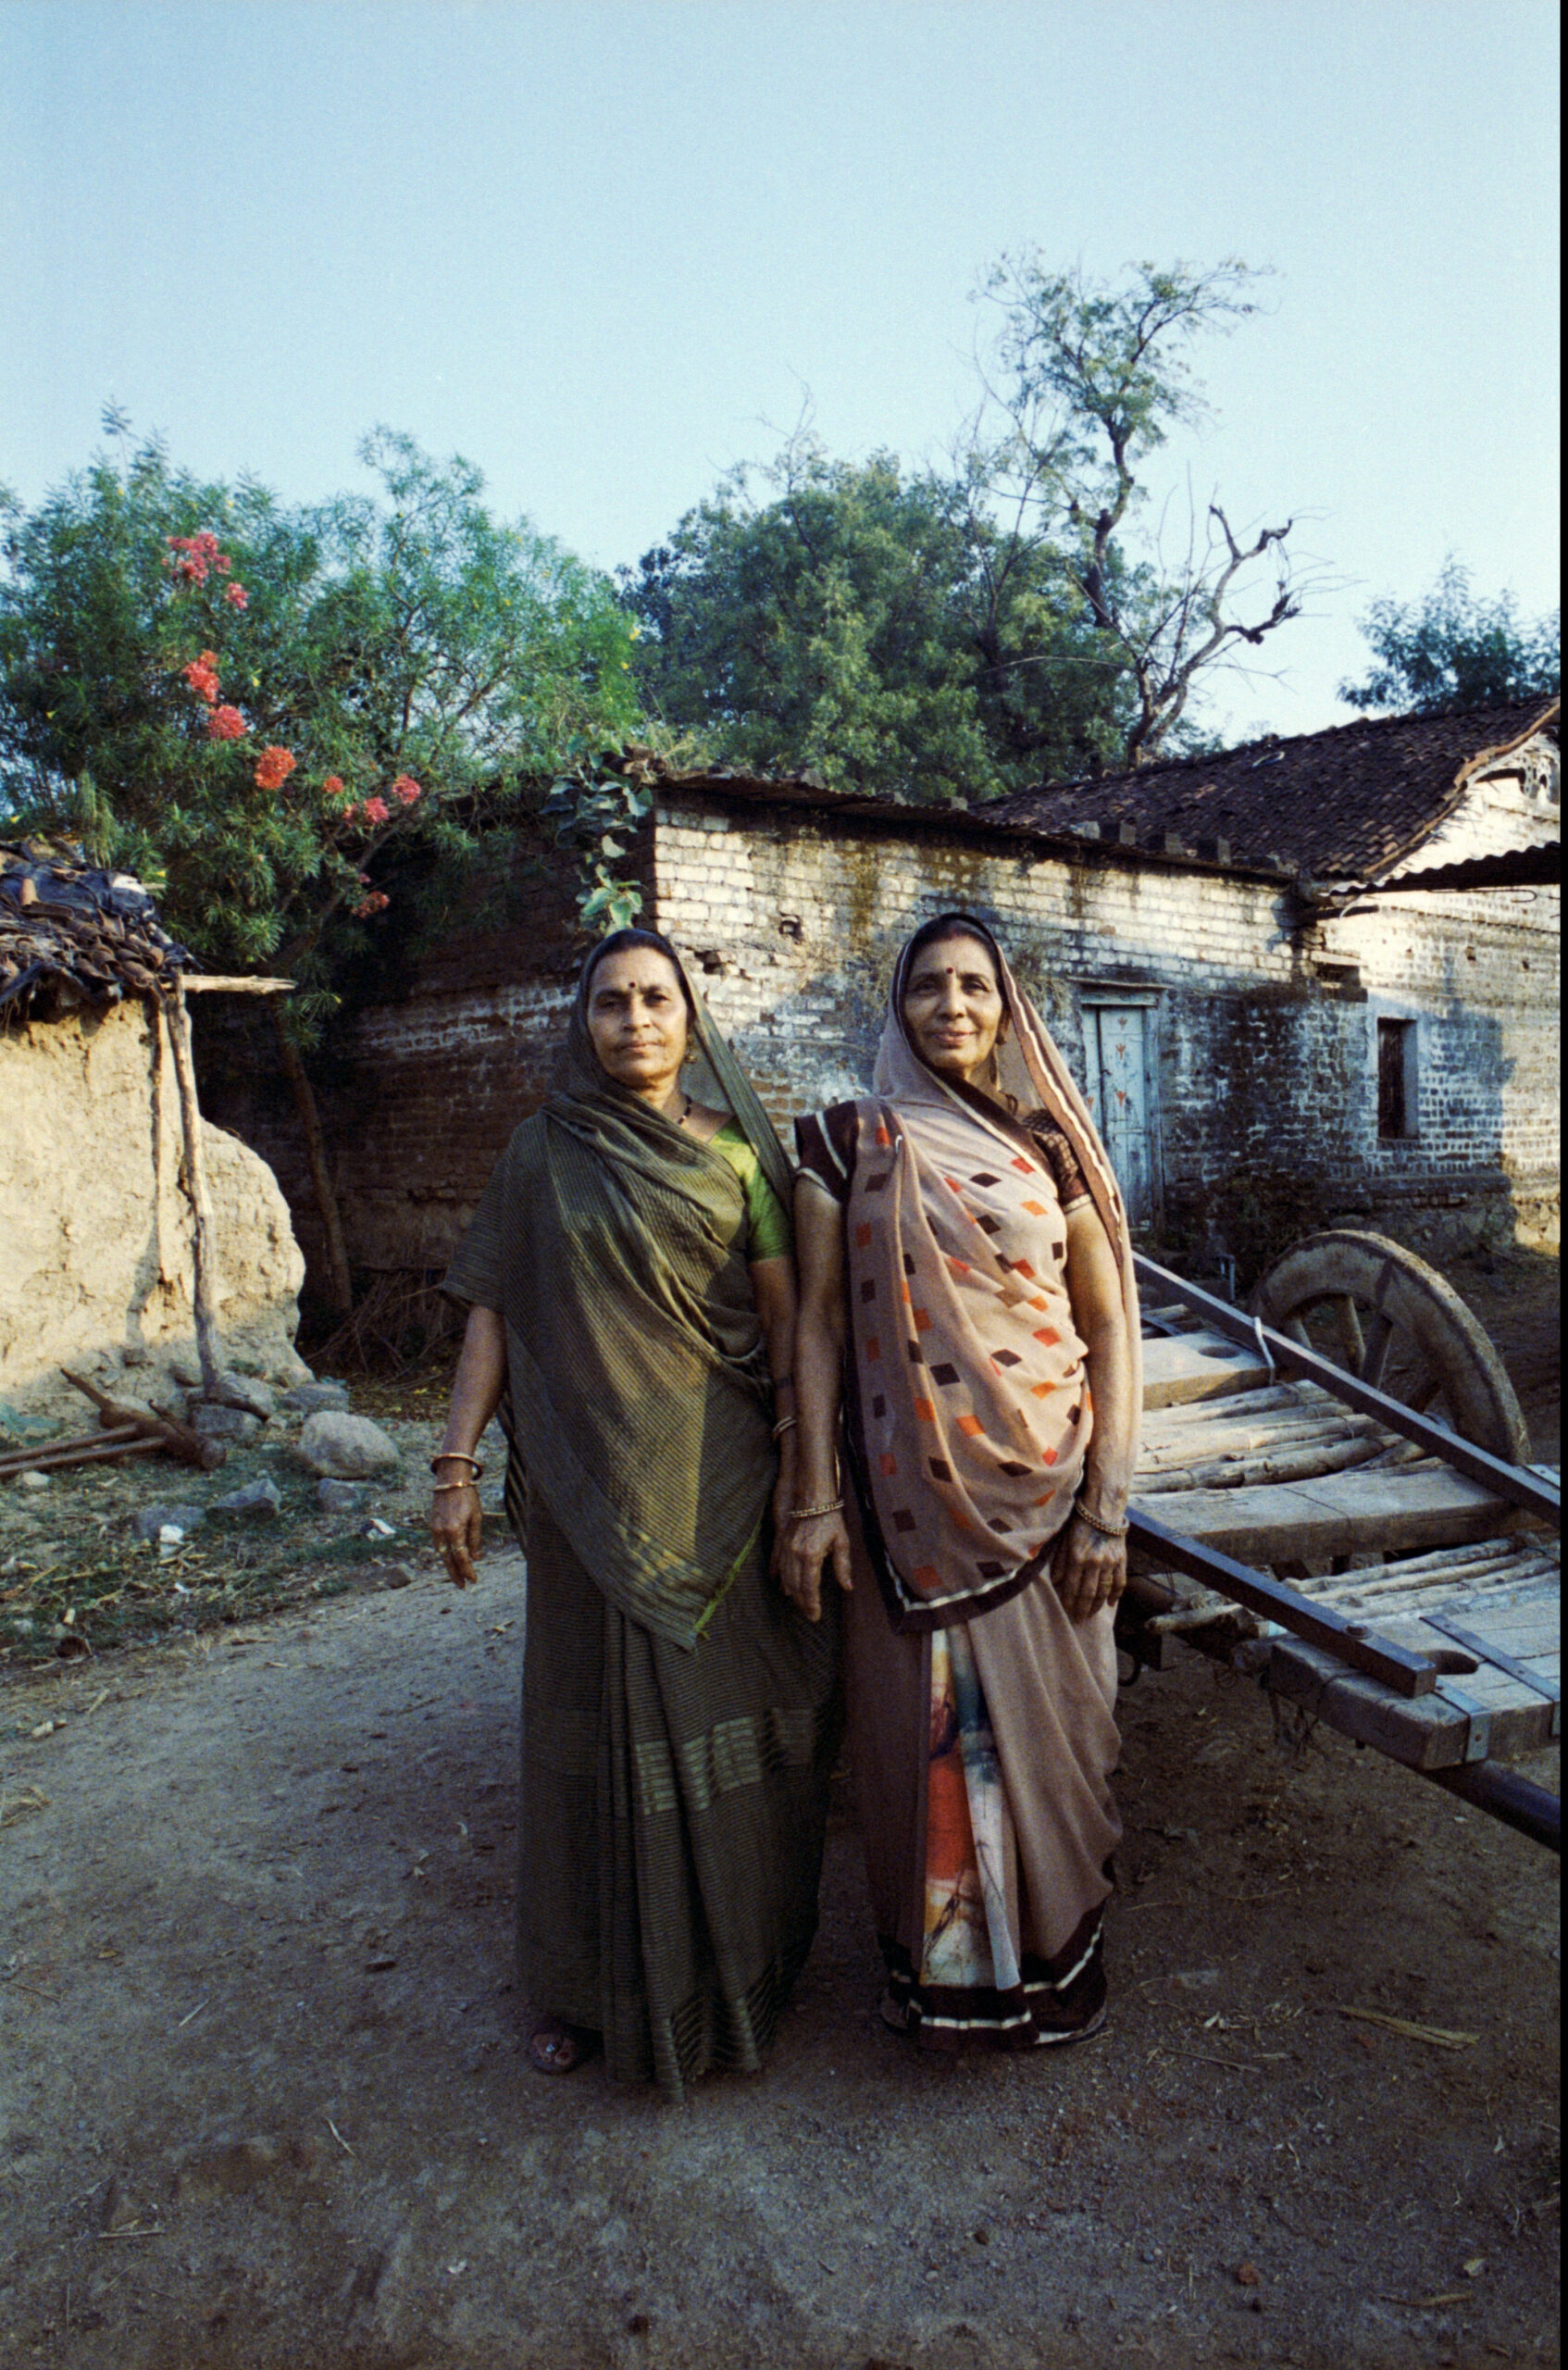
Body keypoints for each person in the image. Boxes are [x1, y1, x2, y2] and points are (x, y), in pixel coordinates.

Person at [431, 928, 839, 2100]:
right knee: (585, 1738)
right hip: (581, 1499)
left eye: (655, 999)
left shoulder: (738, 1161)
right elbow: (494, 1312)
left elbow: (783, 1322)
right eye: (610, 1003)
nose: (634, 1022)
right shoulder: (538, 1153)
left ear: (688, 1017)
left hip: (720, 1489)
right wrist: (454, 1463)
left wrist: (808, 1478)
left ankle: (735, 1980)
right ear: (584, 1022)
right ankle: (580, 1990)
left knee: (728, 1731)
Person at [784, 914, 1140, 2051]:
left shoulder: (1052, 1145)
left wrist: (1106, 1505)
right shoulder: (846, 1142)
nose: (951, 1006)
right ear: (896, 1007)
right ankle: (947, 1983)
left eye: (974, 986)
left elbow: (1106, 1324)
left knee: (1058, 1744)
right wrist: (813, 1498)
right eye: (927, 987)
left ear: (1006, 1006)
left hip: (1046, 1486)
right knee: (917, 1743)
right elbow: (818, 1331)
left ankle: (1055, 1969)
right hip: (907, 1501)